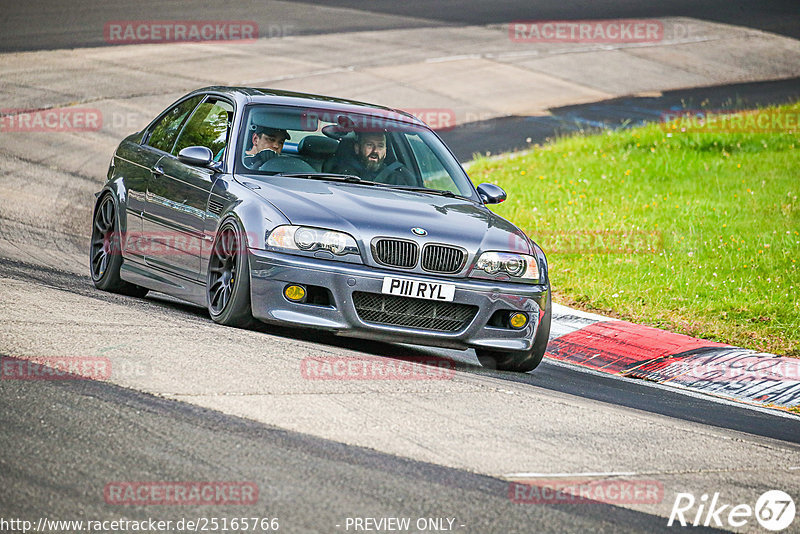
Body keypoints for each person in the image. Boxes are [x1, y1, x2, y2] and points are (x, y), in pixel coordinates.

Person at [329, 131, 415, 185]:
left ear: (385, 152)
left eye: (380, 146)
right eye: (369, 145)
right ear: (357, 148)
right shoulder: (341, 175)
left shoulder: (396, 179)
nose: (375, 151)